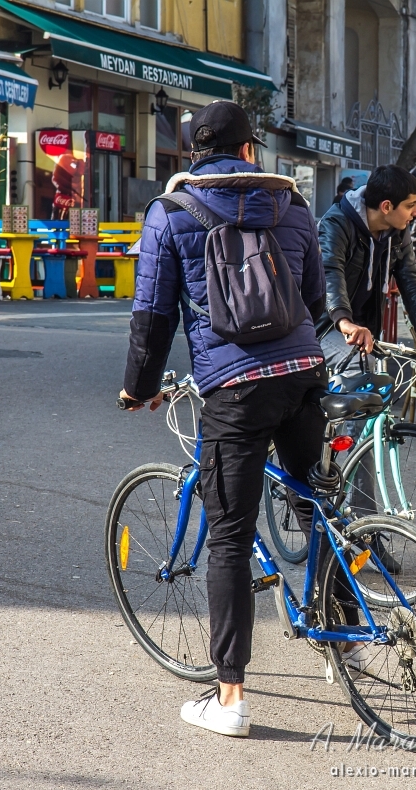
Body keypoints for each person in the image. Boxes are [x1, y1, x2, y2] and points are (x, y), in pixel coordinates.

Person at [120, 100, 329, 739]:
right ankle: (343, 637)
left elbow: (153, 315)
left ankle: (230, 699)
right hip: (301, 377)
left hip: (234, 391)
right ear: (247, 150)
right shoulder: (293, 207)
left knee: (230, 536)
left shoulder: (170, 212)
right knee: (313, 502)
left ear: (193, 153)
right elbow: (316, 303)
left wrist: (139, 388)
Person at [318, 164, 416, 369]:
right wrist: (344, 321)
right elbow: (330, 273)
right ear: (386, 207)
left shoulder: (397, 232)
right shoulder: (337, 223)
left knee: (375, 385)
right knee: (359, 367)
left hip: (363, 330)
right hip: (325, 327)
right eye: (410, 205)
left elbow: (412, 283)